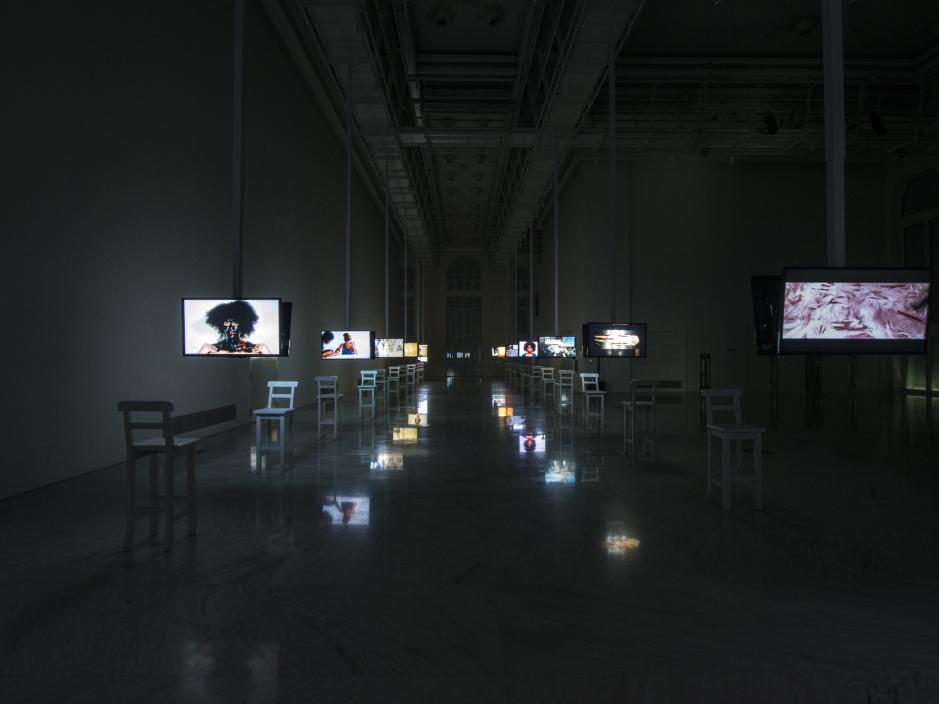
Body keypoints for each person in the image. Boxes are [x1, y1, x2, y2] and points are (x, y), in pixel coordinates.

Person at [197, 300, 270, 354]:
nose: (231, 328)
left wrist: (265, 351)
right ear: (221, 325)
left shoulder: (255, 349)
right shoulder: (212, 349)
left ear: (243, 324)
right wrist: (203, 351)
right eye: (227, 323)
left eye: (235, 323)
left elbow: (271, 372)